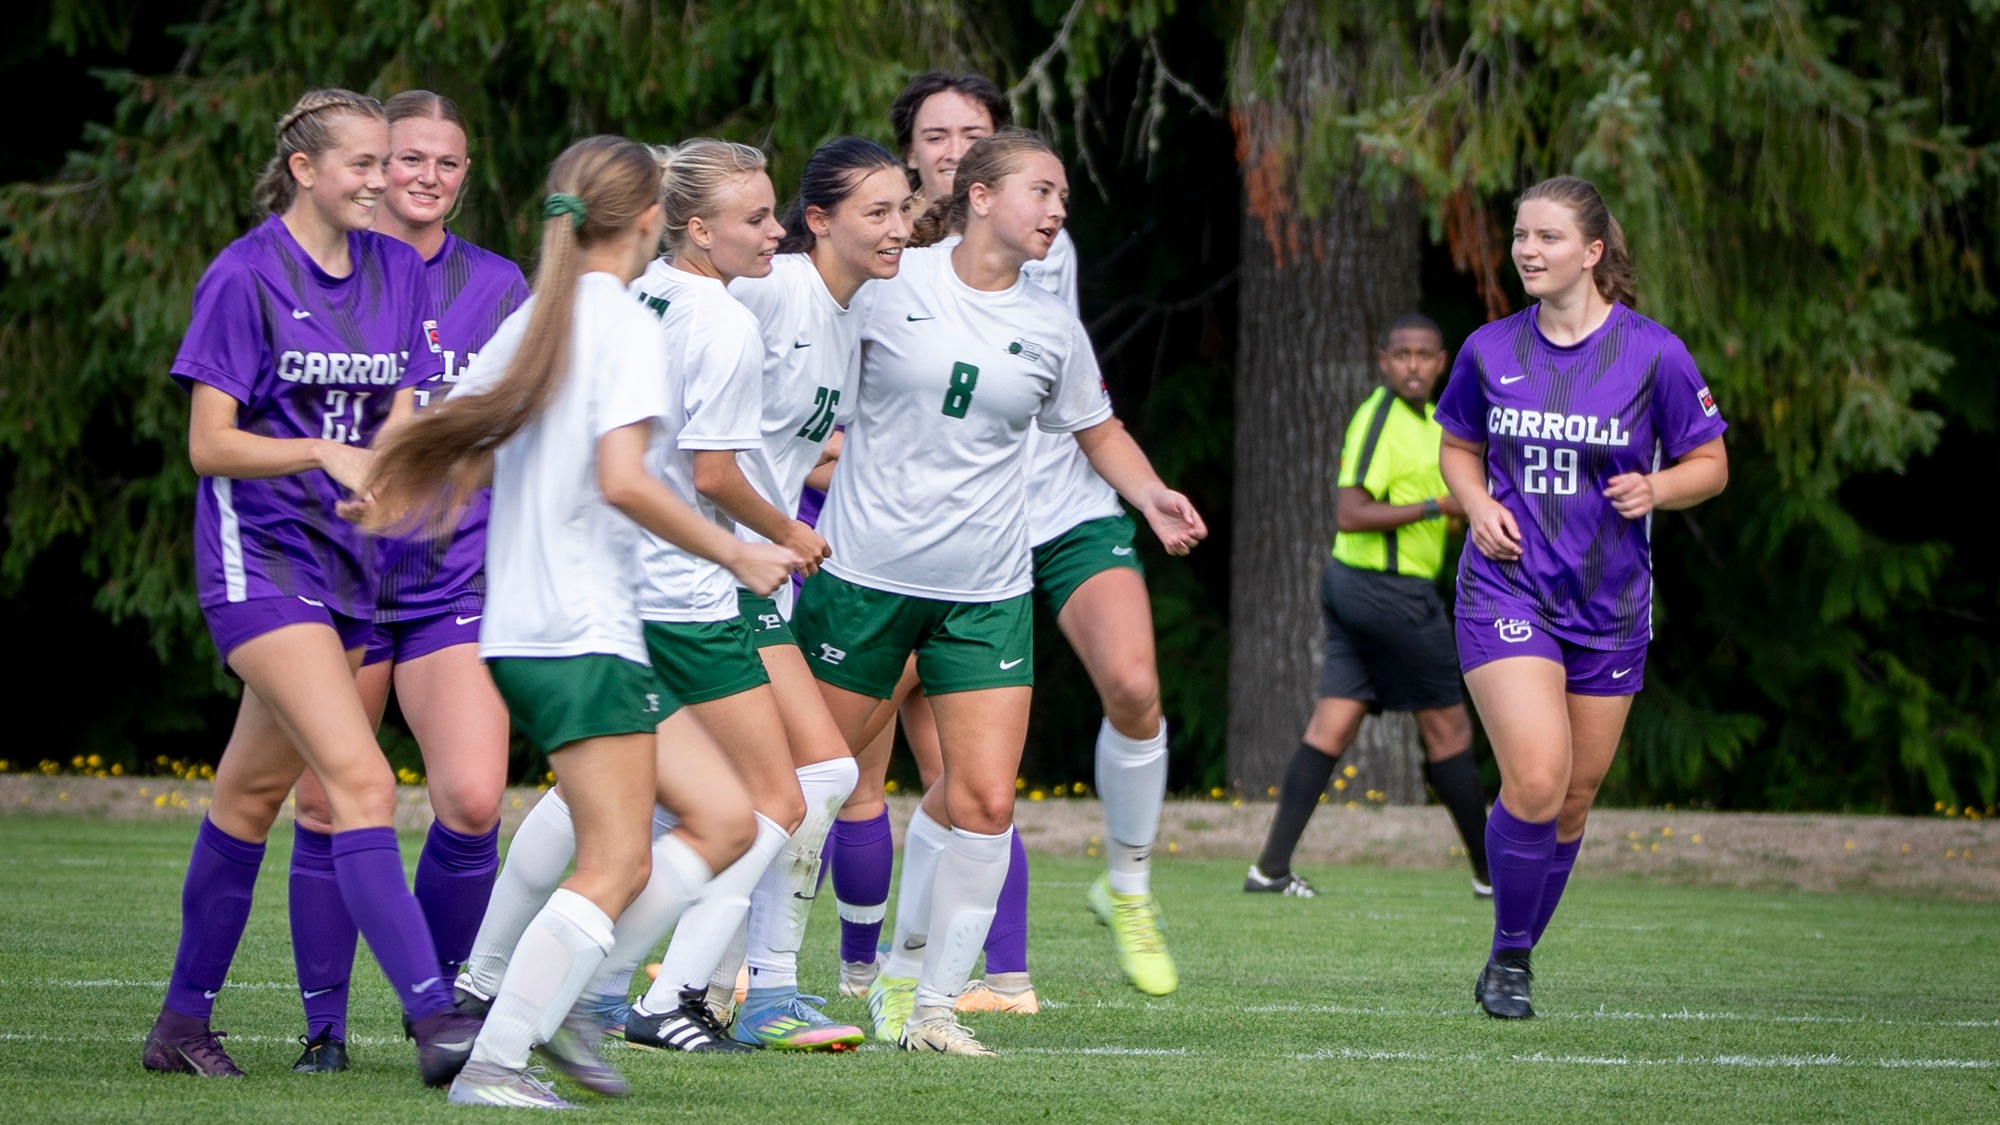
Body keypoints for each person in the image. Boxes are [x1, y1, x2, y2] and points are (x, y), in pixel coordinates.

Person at [361, 134, 796, 1108]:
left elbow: (451, 433)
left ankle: (558, 1004)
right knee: (616, 859)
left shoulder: (539, 319)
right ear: (649, 219)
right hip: (580, 633)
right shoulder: (620, 321)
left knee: (727, 817)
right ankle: (501, 1057)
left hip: (538, 631)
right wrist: (736, 551)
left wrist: (384, 476)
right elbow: (622, 481)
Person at [797, 128, 1205, 1056]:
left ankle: (926, 1002)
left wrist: (1149, 495)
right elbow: (803, 387)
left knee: (981, 799)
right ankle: (761, 975)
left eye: (1063, 195)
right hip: (864, 579)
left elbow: (1095, 429)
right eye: (1042, 190)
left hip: (987, 590)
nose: (1058, 209)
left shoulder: (1053, 325)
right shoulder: (889, 285)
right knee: (805, 786)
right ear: (980, 197)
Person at [145, 87, 483, 1086]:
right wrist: (323, 455)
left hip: (350, 568)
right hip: (263, 564)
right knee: (361, 783)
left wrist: (385, 476)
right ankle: (437, 1023)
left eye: (393, 165)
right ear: (304, 169)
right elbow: (209, 445)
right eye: (366, 166)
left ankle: (180, 1025)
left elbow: (402, 414)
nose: (385, 183)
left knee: (248, 797)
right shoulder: (244, 276)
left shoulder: (392, 269)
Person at [607, 136, 917, 1052]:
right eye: (880, 212)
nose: (902, 229)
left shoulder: (844, 311)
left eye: (907, 211)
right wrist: (777, 529)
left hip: (725, 570)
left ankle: (551, 978)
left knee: (671, 789)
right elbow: (706, 446)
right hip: (711, 570)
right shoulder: (761, 290)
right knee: (809, 779)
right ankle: (698, 987)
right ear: (816, 222)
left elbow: (765, 431)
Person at [1435, 175, 1727, 1019]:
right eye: (1521, 235)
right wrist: (1477, 501)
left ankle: (1507, 957)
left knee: (1571, 797)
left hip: (1610, 605)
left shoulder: (1655, 353)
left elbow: (1711, 465)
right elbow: (1457, 445)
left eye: (1548, 237)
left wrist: (1658, 491)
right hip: (1506, 586)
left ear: (1593, 252)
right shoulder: (1490, 349)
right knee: (1535, 775)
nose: (1527, 249)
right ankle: (1514, 965)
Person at [287, 89, 528, 1075]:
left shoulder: (502, 286)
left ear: (463, 178)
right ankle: (324, 1032)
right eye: (408, 158)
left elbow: (525, 425)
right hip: (332, 578)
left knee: (472, 799)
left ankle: (427, 1000)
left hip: (450, 575)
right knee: (326, 802)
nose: (426, 176)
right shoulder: (308, 275)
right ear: (372, 166)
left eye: (447, 162)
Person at [1245, 314, 1493, 901]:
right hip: (1386, 592)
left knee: (1332, 724)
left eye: (1424, 355)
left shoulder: (1434, 423)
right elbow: (1350, 513)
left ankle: (1269, 871)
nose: (1413, 365)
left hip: (1363, 590)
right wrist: (1438, 507)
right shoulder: (1378, 417)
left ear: (1442, 361)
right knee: (1450, 726)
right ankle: (1493, 878)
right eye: (1401, 354)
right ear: (1382, 361)